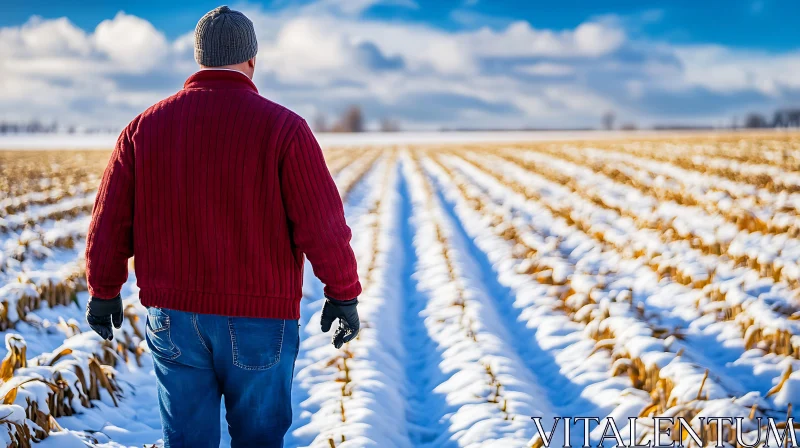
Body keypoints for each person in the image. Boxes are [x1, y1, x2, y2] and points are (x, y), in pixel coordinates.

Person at [83, 5, 362, 447]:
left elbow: (109, 223)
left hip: (173, 317)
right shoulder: (285, 129)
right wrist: (343, 294)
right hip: (261, 318)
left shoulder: (142, 128)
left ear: (199, 59)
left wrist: (103, 291)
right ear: (252, 60)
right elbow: (322, 224)